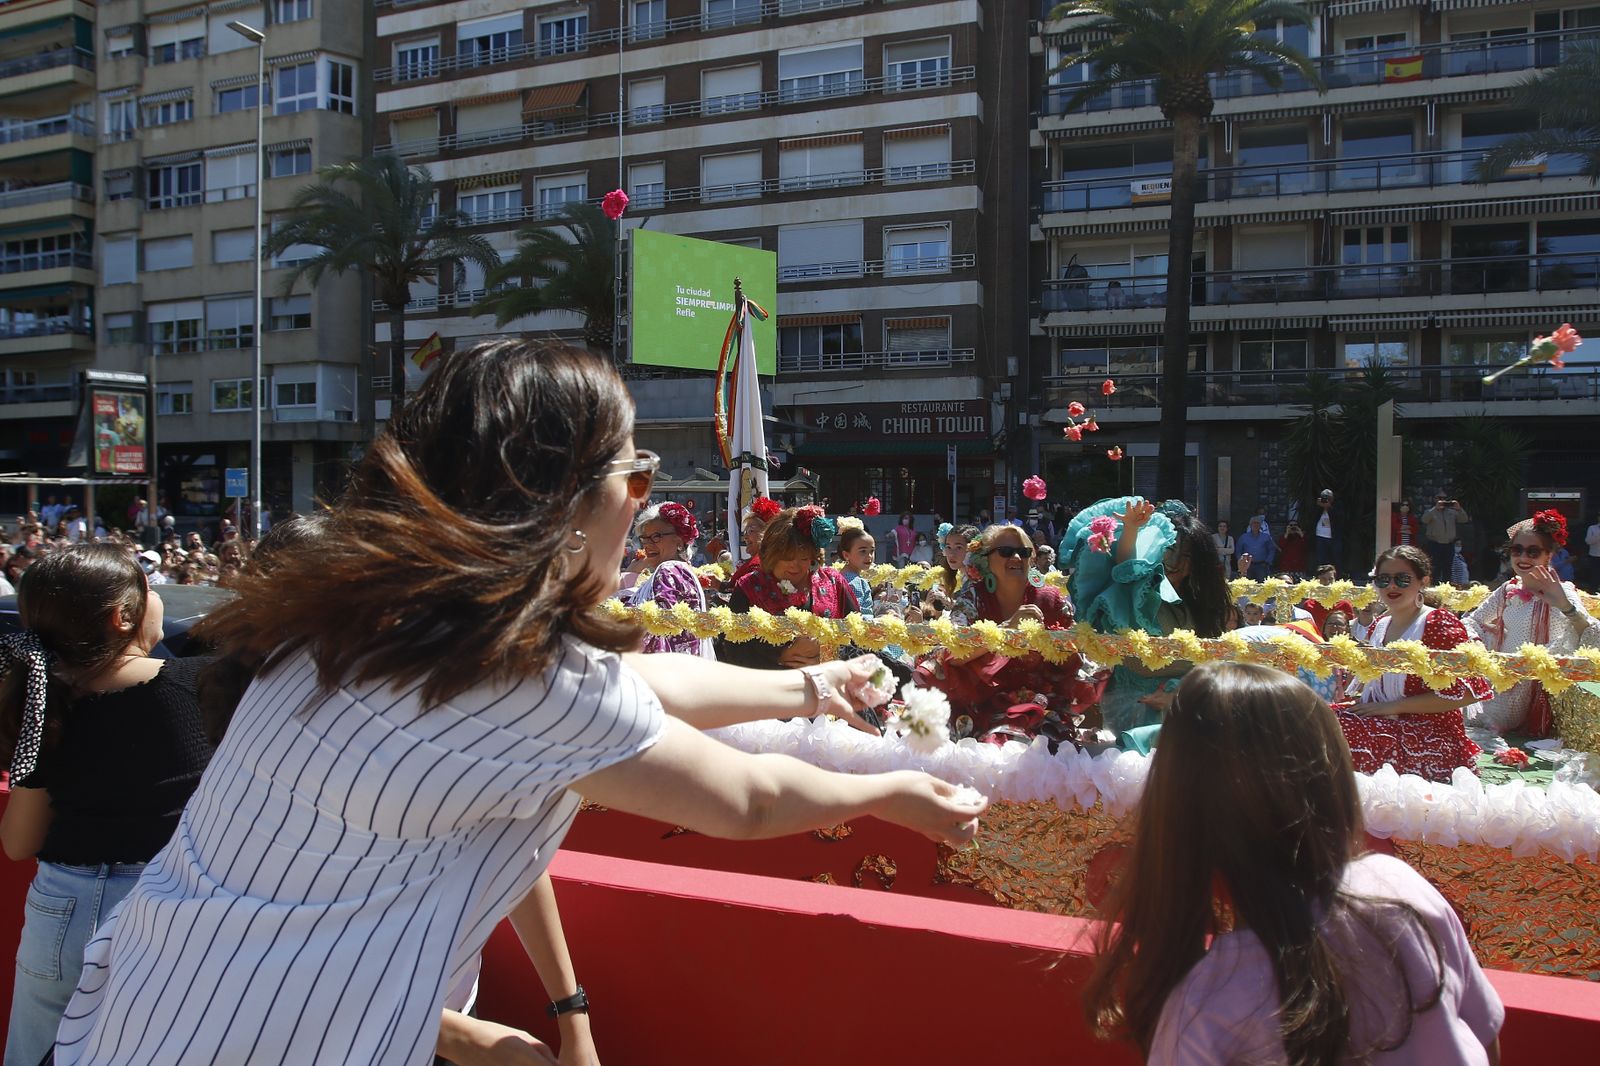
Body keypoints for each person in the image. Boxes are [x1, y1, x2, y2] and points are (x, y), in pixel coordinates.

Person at [52, 340, 984, 1066]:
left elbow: (633, 689)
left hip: (143, 1008)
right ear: (564, 506)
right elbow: (745, 800)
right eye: (639, 478)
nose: (642, 505)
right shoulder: (523, 680)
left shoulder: (366, 612)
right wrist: (885, 794)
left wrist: (807, 685)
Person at [1084, 662, 1504, 1066]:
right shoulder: (1402, 887)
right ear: (1332, 778)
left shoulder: (1207, 1001)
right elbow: (1483, 1040)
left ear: (1177, 813)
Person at [0, 546, 216, 1066]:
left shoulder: (43, 703)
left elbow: (18, 842)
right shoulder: (206, 685)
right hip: (169, 911)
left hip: (63, 911)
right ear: (124, 617)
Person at [1063, 499, 1232, 735]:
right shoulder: (1138, 593)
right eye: (1169, 552)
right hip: (1134, 709)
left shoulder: (1202, 603)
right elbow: (1126, 567)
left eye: (1187, 556)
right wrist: (1132, 529)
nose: (1176, 563)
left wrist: (1180, 696)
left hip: (1190, 709)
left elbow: (1217, 667)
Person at [1334, 546, 1491, 782]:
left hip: (1429, 733)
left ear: (1423, 581)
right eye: (1383, 579)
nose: (1392, 586)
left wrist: (1392, 707)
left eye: (1402, 579)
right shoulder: (1380, 625)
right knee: (1317, 717)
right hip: (1382, 719)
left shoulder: (1438, 623)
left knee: (1346, 732)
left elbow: (1468, 693)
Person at [922, 525, 1091, 741]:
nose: (1017, 557)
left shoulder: (1051, 599)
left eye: (1024, 552)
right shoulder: (972, 598)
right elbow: (952, 655)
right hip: (981, 708)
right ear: (985, 560)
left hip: (1042, 706)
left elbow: (1076, 655)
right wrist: (1007, 629)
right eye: (1005, 552)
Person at [1464, 511, 1599, 742]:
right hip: (1501, 678)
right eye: (1517, 550)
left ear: (1550, 555)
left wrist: (1565, 606)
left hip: (1536, 688)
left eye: (1533, 551)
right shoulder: (1508, 589)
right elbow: (1472, 620)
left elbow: (1592, 638)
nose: (1523, 557)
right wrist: (1477, 645)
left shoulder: (1563, 591)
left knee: (1478, 720)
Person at [719, 505, 861, 672]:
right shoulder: (749, 587)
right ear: (771, 555)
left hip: (826, 684)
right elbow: (730, 649)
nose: (795, 565)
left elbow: (859, 638)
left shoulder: (833, 582)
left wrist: (825, 656)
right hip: (769, 688)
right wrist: (780, 657)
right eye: (786, 558)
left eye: (803, 557)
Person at [628, 502, 715, 658]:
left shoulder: (668, 569)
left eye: (656, 537)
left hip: (667, 669)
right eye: (644, 539)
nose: (648, 545)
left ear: (679, 542)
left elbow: (657, 624)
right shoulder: (681, 569)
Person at [1421, 494, 1470, 587]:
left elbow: (1464, 519)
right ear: (1435, 499)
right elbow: (1424, 520)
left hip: (1449, 544)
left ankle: (1446, 588)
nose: (1442, 500)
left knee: (1447, 568)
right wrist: (1435, 508)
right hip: (1435, 544)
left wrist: (1459, 508)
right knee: (1435, 567)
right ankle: (1433, 587)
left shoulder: (1452, 512)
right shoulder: (1430, 511)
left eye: (1444, 499)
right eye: (1440, 498)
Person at [836, 521, 877, 618]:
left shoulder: (839, 577)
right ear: (846, 555)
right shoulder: (857, 582)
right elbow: (858, 615)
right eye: (863, 551)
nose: (869, 556)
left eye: (872, 551)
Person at [935, 522, 978, 598]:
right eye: (948, 547)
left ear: (972, 549)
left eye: (958, 547)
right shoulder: (964, 578)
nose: (951, 554)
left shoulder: (979, 582)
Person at [1234, 515, 1276, 580]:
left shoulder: (1266, 537)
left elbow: (1271, 550)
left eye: (1257, 523)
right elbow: (1238, 550)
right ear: (1250, 525)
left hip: (1262, 566)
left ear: (1260, 525)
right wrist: (1241, 563)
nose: (1255, 525)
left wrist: (1268, 562)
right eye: (1254, 523)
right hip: (1247, 566)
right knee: (1246, 585)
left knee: (1262, 585)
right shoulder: (1243, 537)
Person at [1586, 512, 1600, 592]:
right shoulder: (1592, 528)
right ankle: (1593, 589)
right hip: (1594, 554)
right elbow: (1588, 541)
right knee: (1594, 572)